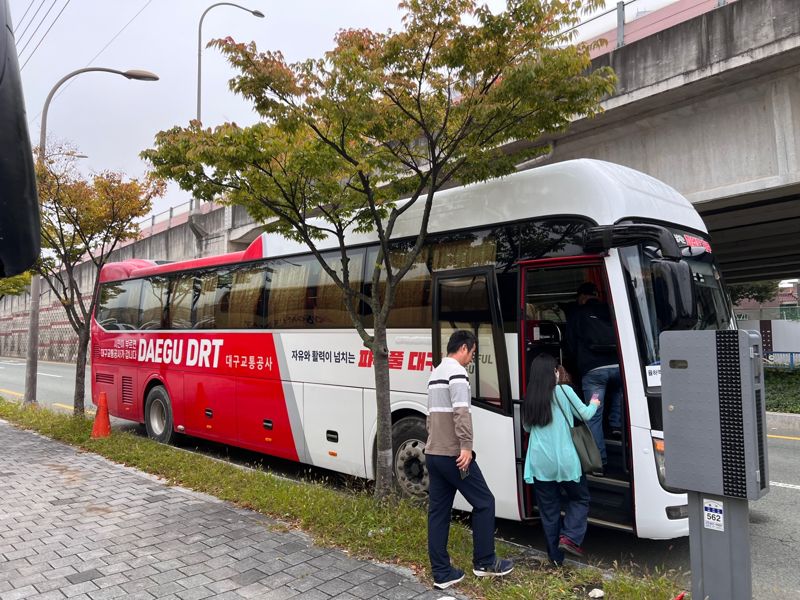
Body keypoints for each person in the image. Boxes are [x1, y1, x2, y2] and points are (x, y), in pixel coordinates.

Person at [425, 330, 514, 589]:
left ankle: (442, 573)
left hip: (434, 453)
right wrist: (466, 447)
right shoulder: (458, 373)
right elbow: (461, 413)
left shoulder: (436, 373)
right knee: (485, 502)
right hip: (454, 456)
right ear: (464, 348)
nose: (472, 359)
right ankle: (485, 562)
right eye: (472, 353)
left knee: (438, 513)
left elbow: (431, 416)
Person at [523, 353, 601, 565]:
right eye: (556, 369)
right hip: (566, 460)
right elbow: (585, 414)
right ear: (553, 372)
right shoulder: (564, 391)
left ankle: (555, 560)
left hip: (540, 463)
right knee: (580, 498)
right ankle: (570, 537)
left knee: (549, 512)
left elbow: (527, 427)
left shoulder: (531, 395)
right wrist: (595, 402)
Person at [566, 281, 623, 471]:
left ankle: (599, 460)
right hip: (617, 366)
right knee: (617, 391)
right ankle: (616, 424)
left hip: (595, 373)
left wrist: (575, 368)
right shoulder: (611, 310)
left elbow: (571, 344)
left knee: (594, 414)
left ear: (582, 297)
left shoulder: (578, 314)